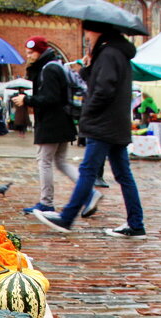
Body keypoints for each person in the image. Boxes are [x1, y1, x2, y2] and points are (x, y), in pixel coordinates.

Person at [36, 20, 146, 238]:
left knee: (88, 171)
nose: (86, 36)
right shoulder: (115, 53)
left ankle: (67, 218)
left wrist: (87, 114)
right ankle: (136, 223)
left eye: (87, 31)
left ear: (97, 31)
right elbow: (99, 82)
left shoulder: (109, 54)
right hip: (115, 124)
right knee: (123, 174)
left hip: (103, 124)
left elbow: (103, 90)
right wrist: (89, 66)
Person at [16, 35, 78, 215]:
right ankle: (89, 192)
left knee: (44, 161)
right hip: (62, 122)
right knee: (60, 162)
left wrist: (27, 99)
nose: (28, 56)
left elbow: (51, 98)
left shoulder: (48, 69)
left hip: (51, 124)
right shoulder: (54, 65)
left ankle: (46, 202)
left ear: (40, 52)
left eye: (31, 52)